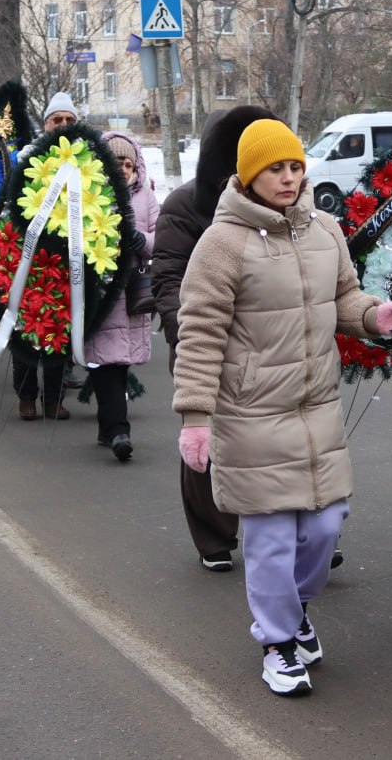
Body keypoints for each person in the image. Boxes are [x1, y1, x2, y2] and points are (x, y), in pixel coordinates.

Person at [173, 118, 392, 697]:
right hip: (251, 414)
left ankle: (296, 609)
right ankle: (278, 644)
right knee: (272, 540)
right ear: (248, 175)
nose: (287, 179)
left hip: (317, 410)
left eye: (294, 167)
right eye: (274, 169)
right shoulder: (221, 243)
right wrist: (195, 419)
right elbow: (200, 332)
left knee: (324, 527)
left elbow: (346, 297)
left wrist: (372, 316)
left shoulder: (325, 230)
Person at [154, 106, 274, 572]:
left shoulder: (280, 206)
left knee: (282, 441)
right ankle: (213, 534)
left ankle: (296, 531)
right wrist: (190, 343)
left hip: (271, 345)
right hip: (206, 344)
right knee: (206, 441)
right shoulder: (185, 207)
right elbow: (167, 280)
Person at [85, 131, 157, 461]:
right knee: (104, 360)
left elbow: (163, 236)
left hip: (130, 293)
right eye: (117, 162)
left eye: (129, 163)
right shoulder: (87, 193)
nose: (124, 168)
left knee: (115, 361)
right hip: (97, 291)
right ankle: (119, 431)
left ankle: (109, 426)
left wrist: (140, 240)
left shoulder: (145, 197)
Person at [13, 92, 79, 419]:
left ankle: (54, 399)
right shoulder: (25, 160)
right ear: (46, 124)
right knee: (27, 333)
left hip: (68, 263)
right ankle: (26, 396)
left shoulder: (88, 162)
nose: (64, 126)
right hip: (30, 261)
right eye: (58, 120)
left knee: (59, 335)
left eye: (70, 120)